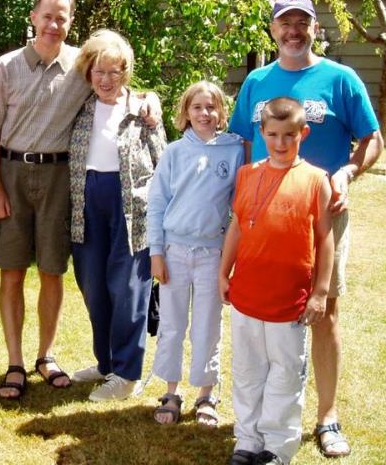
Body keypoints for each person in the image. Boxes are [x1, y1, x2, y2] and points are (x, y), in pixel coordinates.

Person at [0, 0, 161, 399]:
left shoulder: (80, 65)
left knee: (54, 270)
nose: (54, 24)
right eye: (48, 16)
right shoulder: (8, 66)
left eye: (62, 17)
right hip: (14, 173)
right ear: (33, 17)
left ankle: (48, 357)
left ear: (71, 22)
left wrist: (152, 101)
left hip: (64, 179)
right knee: (25, 273)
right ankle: (16, 363)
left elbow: (122, 84)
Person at [229, 0, 383, 458]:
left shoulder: (341, 78)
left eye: (303, 23)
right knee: (261, 317)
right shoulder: (256, 81)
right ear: (273, 31)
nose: (293, 31)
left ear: (316, 28)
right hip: (262, 222)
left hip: (322, 217)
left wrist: (348, 172)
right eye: (285, 23)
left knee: (323, 311)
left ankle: (326, 417)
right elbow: (240, 143)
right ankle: (256, 421)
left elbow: (372, 137)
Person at [220, 97, 334, 465]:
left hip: (289, 301)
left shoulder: (316, 180)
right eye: (272, 135)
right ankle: (247, 440)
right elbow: (237, 226)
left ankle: (277, 446)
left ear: (304, 133)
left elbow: (325, 238)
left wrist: (319, 292)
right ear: (262, 133)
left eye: (289, 135)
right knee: (247, 371)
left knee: (285, 373)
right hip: (248, 294)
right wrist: (224, 272)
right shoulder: (248, 174)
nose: (280, 143)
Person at [69, 30, 166, 401]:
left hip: (131, 210)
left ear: (126, 74)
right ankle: (106, 362)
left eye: (115, 72)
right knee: (93, 286)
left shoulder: (141, 110)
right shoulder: (79, 107)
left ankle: (127, 374)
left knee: (127, 290)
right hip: (85, 204)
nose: (106, 80)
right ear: (88, 73)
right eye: (99, 72)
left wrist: (152, 112)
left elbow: (162, 160)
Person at [147, 81, 244, 425]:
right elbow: (157, 203)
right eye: (197, 107)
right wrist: (156, 251)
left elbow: (239, 207)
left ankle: (206, 393)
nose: (204, 113)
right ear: (185, 112)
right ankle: (171, 391)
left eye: (211, 107)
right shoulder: (174, 152)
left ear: (221, 113)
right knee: (172, 324)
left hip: (211, 253)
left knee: (207, 324)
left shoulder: (234, 151)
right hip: (174, 251)